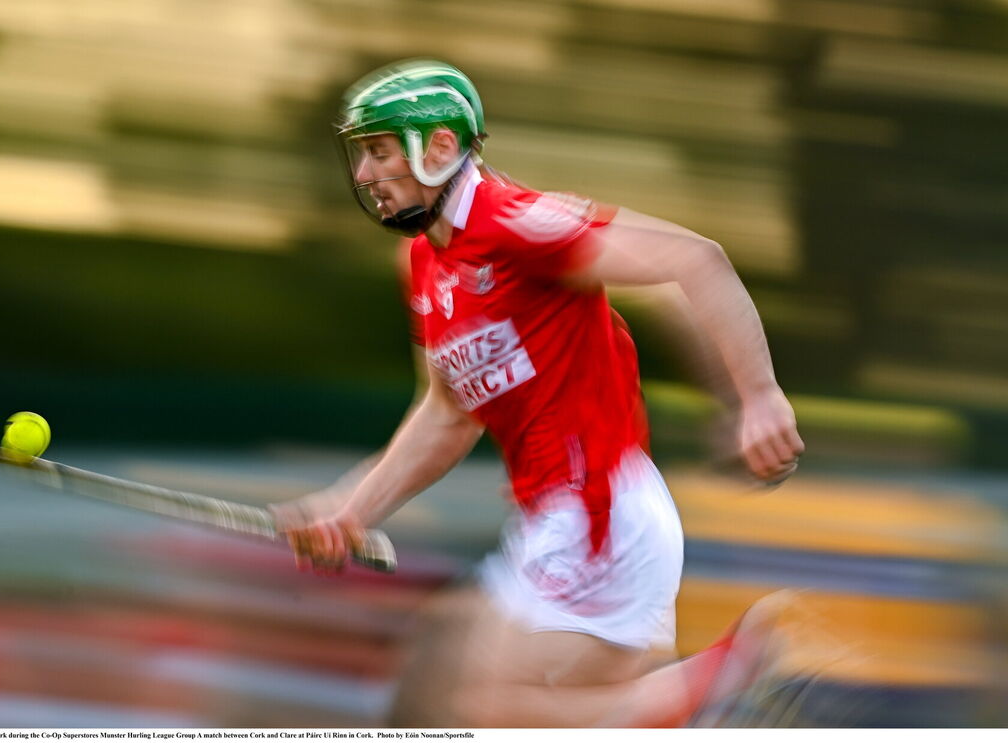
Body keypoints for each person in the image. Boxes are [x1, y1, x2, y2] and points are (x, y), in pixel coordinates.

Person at [272, 59, 804, 727]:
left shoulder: (514, 222)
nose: (363, 175)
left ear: (438, 147)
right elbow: (446, 413)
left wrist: (758, 397)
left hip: (596, 509)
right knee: (465, 693)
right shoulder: (428, 261)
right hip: (565, 517)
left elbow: (694, 260)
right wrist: (351, 509)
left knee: (491, 713)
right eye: (361, 154)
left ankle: (716, 687)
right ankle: (709, 694)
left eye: (379, 151)